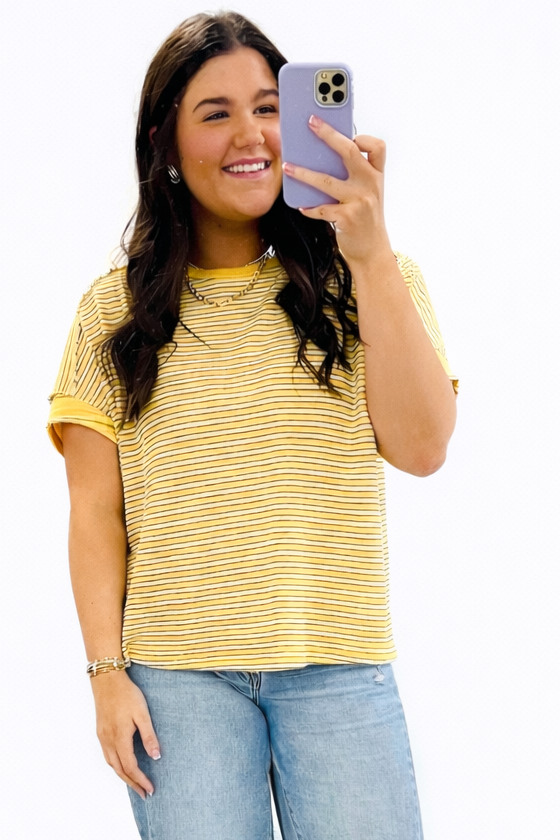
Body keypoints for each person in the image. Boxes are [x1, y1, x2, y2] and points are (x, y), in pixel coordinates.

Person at [47, 11, 457, 840]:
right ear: (164, 143)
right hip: (178, 682)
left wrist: (370, 255)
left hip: (340, 667)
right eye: (217, 113)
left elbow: (422, 449)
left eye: (270, 107)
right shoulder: (111, 311)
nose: (252, 135)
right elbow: (95, 512)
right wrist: (105, 674)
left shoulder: (375, 281)